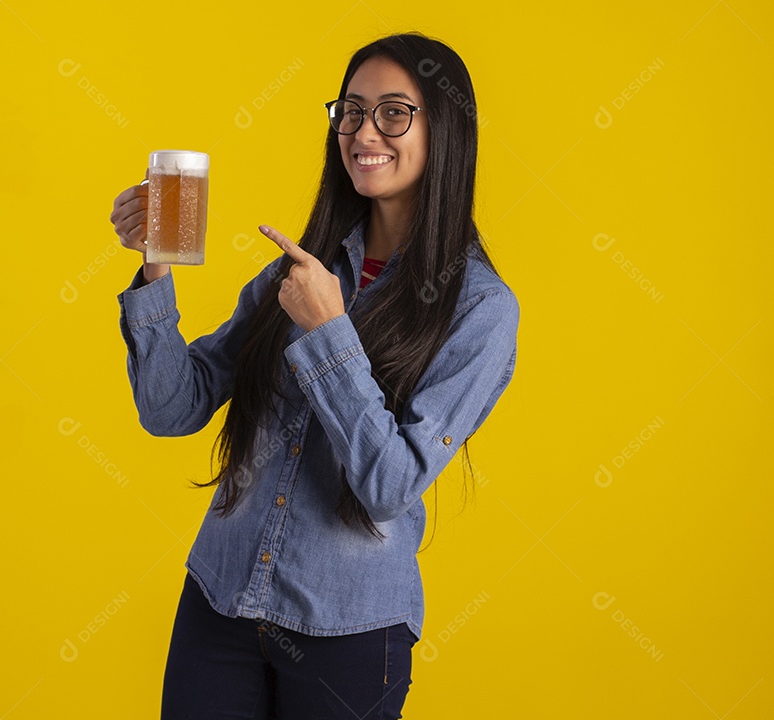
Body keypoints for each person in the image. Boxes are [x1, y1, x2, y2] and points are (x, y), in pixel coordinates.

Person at [110, 31, 518, 720]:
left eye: (393, 112)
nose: (364, 131)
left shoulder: (480, 309)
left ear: (443, 130)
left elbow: (389, 485)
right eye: (350, 111)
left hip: (350, 633)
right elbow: (170, 409)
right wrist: (155, 267)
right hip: (221, 604)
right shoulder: (299, 269)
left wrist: (331, 334)